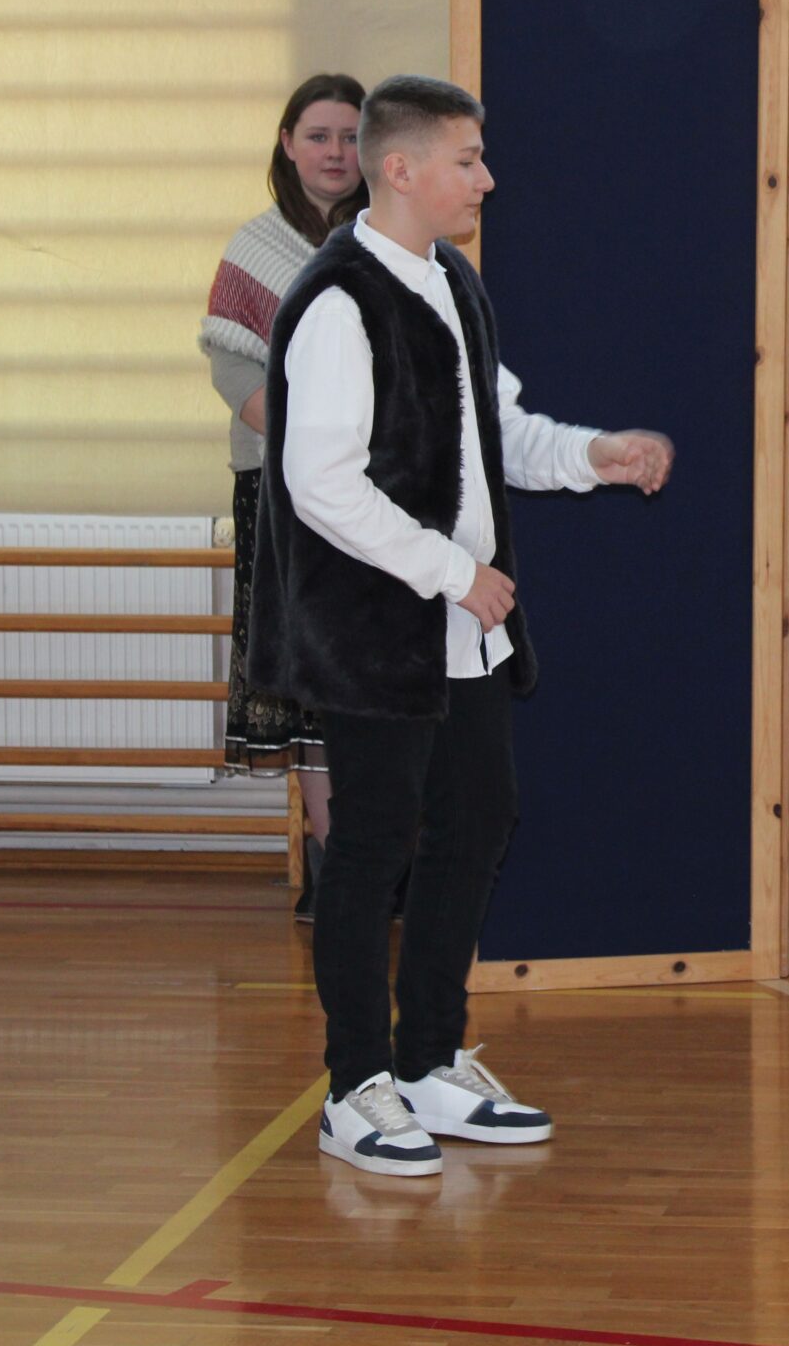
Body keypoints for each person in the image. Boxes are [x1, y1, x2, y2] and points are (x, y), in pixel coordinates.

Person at [251, 74, 674, 1178]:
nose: (486, 178)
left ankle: (430, 1058)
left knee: (476, 823)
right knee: (372, 848)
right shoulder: (336, 300)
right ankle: (356, 1084)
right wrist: (452, 572)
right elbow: (319, 483)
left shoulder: (453, 283)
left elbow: (500, 429)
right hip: (376, 633)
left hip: (460, 630)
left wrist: (593, 455)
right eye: (468, 159)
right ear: (401, 169)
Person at [201, 73, 367, 920]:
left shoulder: (390, 240)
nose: (336, 152)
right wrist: (309, 436)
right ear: (287, 144)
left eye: (351, 136)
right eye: (319, 135)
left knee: (368, 670)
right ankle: (334, 861)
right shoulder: (255, 246)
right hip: (281, 488)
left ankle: (382, 855)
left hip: (378, 492)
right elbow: (233, 366)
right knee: (305, 678)